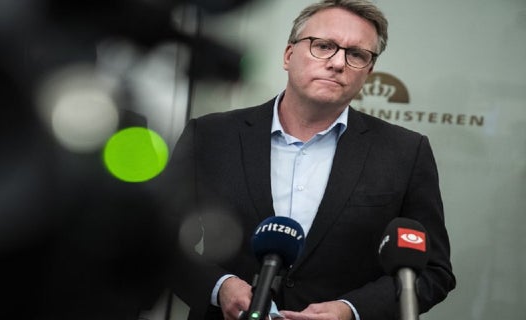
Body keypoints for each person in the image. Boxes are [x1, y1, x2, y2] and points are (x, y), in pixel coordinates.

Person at [160, 0, 456, 319]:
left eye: (356, 54)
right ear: (289, 56)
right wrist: (221, 287)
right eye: (324, 46)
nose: (338, 62)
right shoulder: (210, 135)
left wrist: (351, 310)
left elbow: (432, 272)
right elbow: (157, 240)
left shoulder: (404, 152)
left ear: (368, 72)